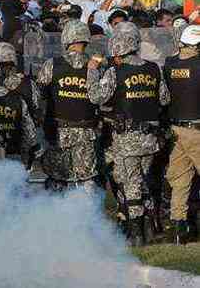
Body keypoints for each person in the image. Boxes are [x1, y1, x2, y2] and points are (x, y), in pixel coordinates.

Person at [87, 22, 170, 246]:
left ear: (117, 51)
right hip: (150, 138)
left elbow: (96, 97)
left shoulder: (116, 71)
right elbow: (164, 99)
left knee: (131, 184)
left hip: (126, 140)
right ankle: (151, 227)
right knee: (143, 181)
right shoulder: (154, 68)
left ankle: (137, 235)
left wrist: (92, 71)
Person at [35, 20, 100, 192]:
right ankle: (89, 216)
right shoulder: (96, 66)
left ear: (66, 39)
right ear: (85, 40)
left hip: (59, 132)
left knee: (59, 181)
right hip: (86, 132)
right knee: (86, 181)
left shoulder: (52, 64)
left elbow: (39, 96)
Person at [164, 25, 200, 244]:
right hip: (197, 132)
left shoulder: (170, 65)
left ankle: (178, 227)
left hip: (176, 131)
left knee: (180, 180)